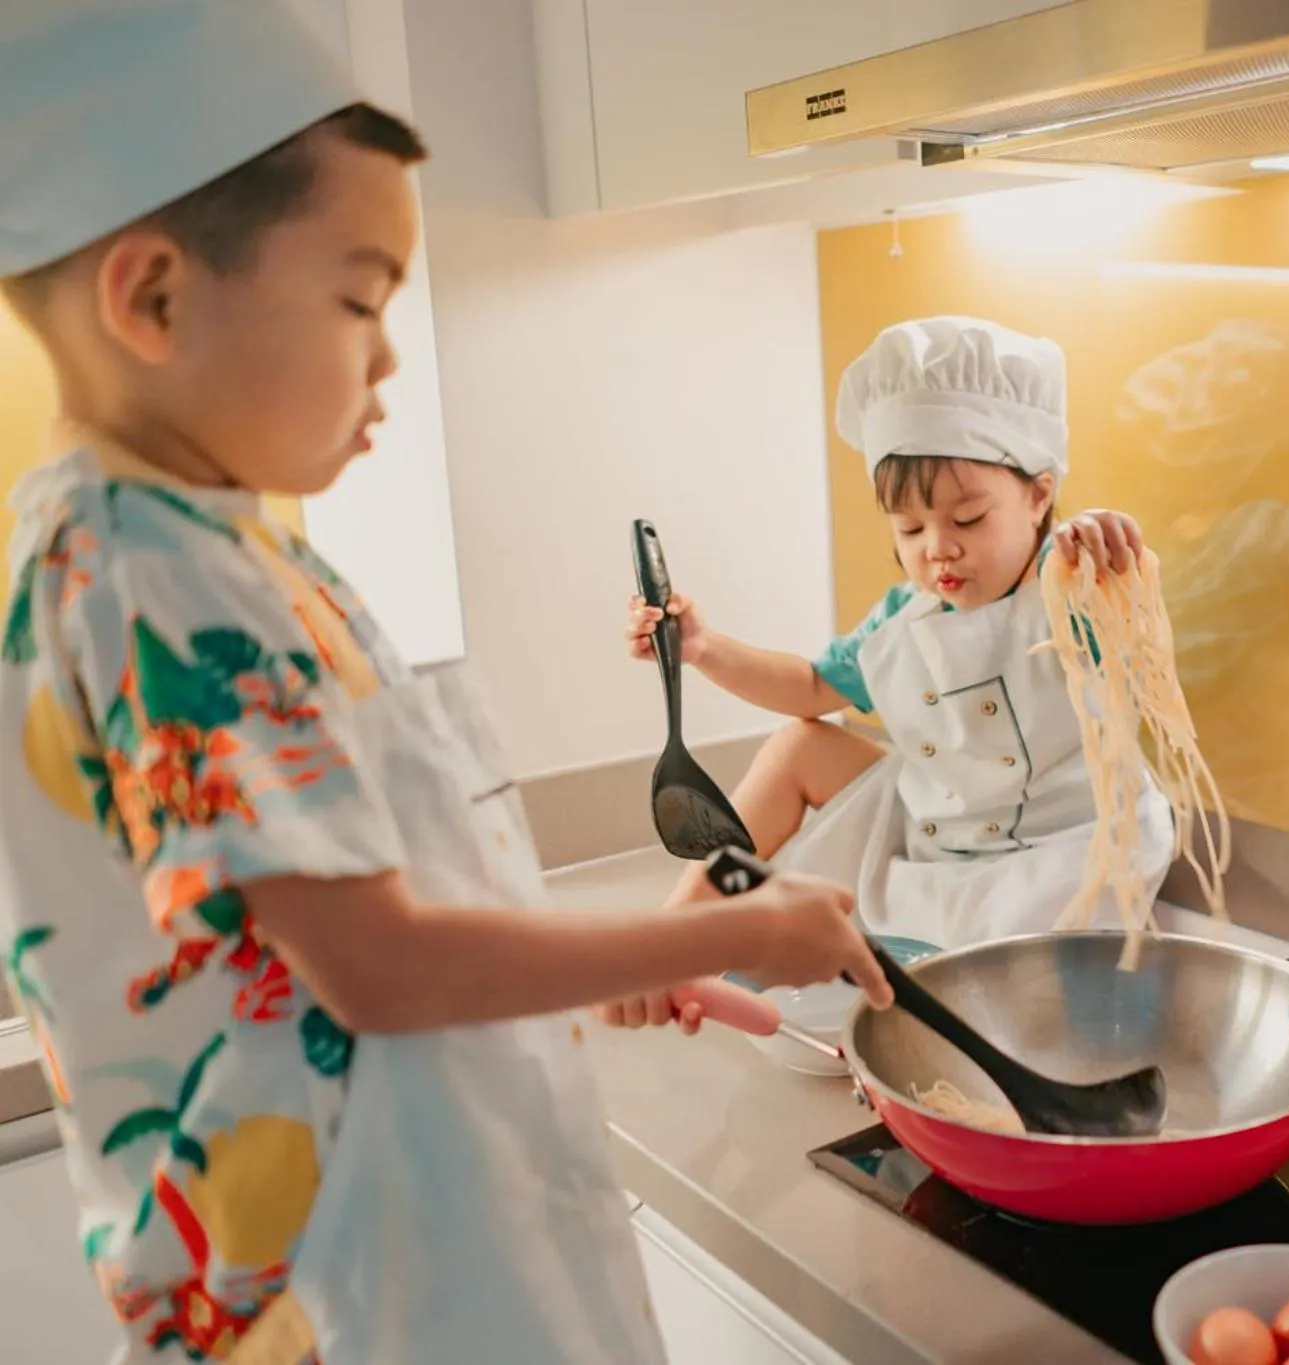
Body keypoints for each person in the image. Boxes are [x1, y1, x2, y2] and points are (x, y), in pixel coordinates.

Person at [0, 4, 886, 1363]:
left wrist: (593, 970)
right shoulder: (147, 574)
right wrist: (729, 930)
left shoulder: (198, 539)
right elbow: (380, 965)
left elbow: (357, 922)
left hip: (410, 1251)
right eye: (360, 298)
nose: (389, 355)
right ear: (154, 295)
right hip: (360, 1295)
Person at [617, 315, 1170, 994]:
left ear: (1038, 493)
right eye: (910, 527)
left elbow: (1123, 599)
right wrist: (703, 648)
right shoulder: (903, 618)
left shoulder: (1070, 582)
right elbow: (808, 686)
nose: (937, 546)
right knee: (801, 743)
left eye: (967, 519)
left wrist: (1107, 544)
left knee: (1000, 990)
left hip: (1060, 851)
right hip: (938, 829)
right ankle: (675, 936)